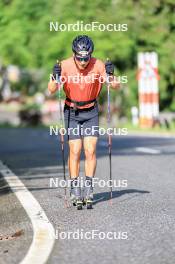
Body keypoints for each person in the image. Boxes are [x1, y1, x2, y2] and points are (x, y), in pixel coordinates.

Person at [48, 35, 120, 209]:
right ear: (74, 54)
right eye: (79, 58)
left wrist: (111, 74)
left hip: (91, 111)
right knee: (75, 150)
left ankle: (88, 187)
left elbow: (116, 86)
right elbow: (51, 90)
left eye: (86, 57)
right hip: (71, 111)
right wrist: (55, 77)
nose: (83, 62)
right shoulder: (64, 65)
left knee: (90, 149)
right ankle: (74, 188)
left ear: (90, 54)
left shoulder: (98, 65)